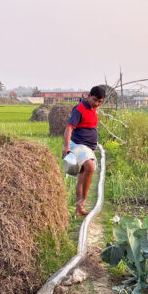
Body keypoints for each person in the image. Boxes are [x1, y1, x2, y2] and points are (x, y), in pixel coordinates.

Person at [62, 85, 106, 215]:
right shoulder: (79, 109)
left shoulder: (93, 108)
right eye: (95, 100)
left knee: (82, 175)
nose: (97, 103)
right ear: (88, 96)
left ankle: (79, 208)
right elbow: (69, 128)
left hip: (88, 147)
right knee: (90, 166)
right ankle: (84, 199)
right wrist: (66, 147)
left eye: (100, 102)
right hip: (79, 145)